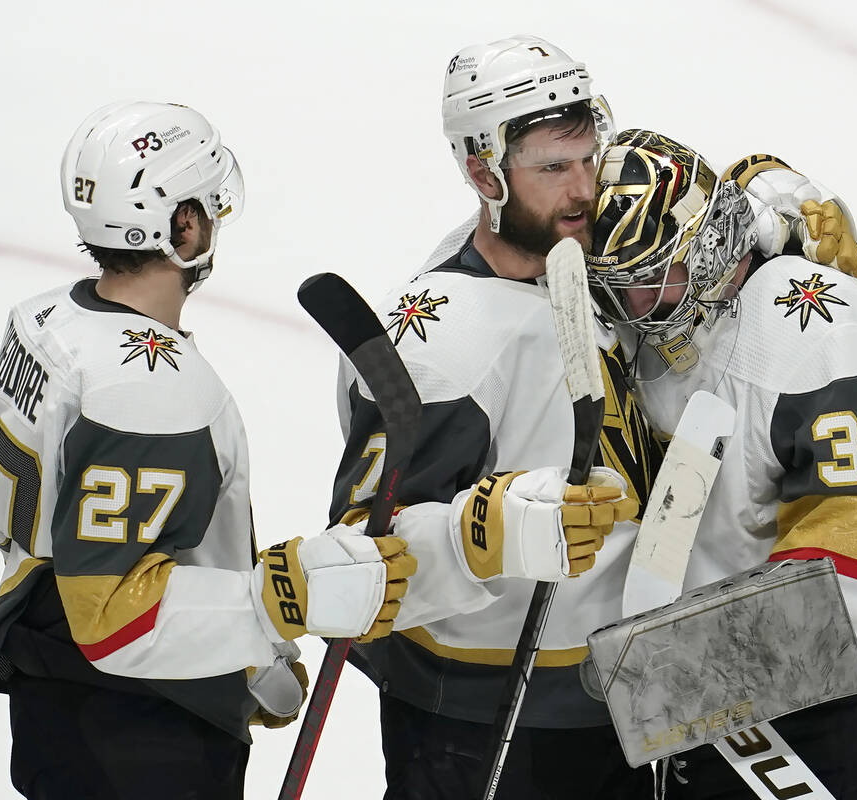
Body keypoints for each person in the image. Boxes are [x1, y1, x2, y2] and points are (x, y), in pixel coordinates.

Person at [0, 100, 417, 800]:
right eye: (208, 206)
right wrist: (277, 602)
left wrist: (242, 654)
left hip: (52, 698)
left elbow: (98, 549)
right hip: (138, 733)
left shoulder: (47, 319)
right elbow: (112, 616)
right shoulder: (149, 390)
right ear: (182, 225)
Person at [328, 36, 663, 798]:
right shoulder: (442, 348)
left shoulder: (580, 245)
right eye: (552, 168)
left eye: (590, 158)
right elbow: (357, 553)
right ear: (483, 172)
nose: (583, 190)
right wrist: (479, 533)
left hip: (619, 689)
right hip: (483, 720)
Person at [586, 129, 857, 799]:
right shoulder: (666, 310)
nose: (637, 308)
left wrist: (676, 675)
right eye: (619, 288)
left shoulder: (818, 329)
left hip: (848, 707)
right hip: (697, 702)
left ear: (707, 242)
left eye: (653, 279)